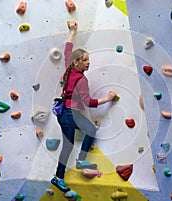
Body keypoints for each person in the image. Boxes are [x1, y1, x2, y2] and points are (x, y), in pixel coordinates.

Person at [51, 20, 117, 199]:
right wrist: (108, 99)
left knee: (76, 140)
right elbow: (88, 102)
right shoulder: (81, 80)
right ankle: (70, 168)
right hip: (69, 114)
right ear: (77, 62)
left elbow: (67, 50)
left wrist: (72, 32)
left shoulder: (69, 71)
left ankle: (63, 173)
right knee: (78, 138)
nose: (89, 63)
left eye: (89, 60)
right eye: (85, 60)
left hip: (66, 113)